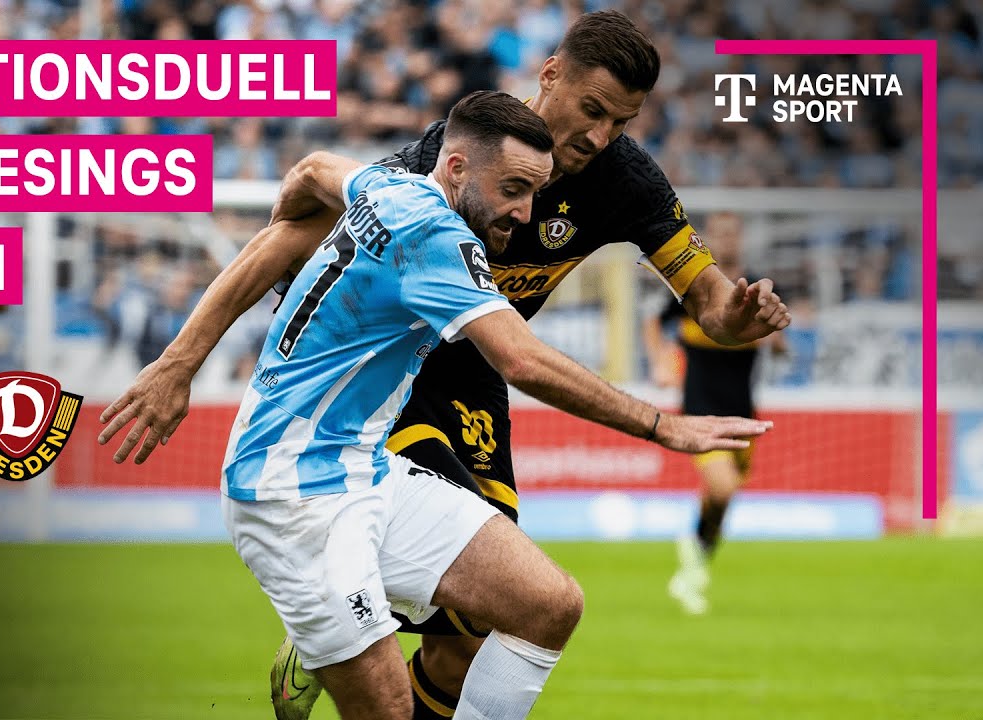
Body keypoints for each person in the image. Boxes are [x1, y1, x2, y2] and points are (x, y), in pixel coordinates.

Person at [99, 11, 792, 719]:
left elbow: (708, 298)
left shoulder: (626, 181)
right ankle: (344, 611)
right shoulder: (456, 157)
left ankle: (346, 616)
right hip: (406, 376)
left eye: (620, 121)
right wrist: (177, 363)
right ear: (549, 74)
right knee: (458, 614)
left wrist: (734, 319)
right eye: (591, 111)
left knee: (484, 624)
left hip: (476, 378)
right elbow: (294, 228)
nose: (599, 136)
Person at [642, 211, 790, 615]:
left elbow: (780, 339)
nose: (726, 240)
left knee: (722, 499)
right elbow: (653, 322)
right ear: (709, 239)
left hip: (743, 412)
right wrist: (660, 361)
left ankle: (694, 563)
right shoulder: (694, 286)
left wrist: (777, 340)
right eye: (720, 233)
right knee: (722, 488)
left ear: (740, 238)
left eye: (732, 232)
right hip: (699, 411)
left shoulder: (755, 287)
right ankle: (693, 555)